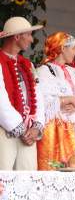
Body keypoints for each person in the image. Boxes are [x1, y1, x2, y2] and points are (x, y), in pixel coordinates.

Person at [36, 32, 75, 170]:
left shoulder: (73, 72)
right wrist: (68, 99)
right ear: (62, 48)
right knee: (56, 168)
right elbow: (42, 101)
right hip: (55, 130)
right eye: (73, 48)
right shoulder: (43, 71)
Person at [0, 16, 45, 170]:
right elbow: (1, 100)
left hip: (28, 133)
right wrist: (19, 128)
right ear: (17, 36)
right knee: (3, 179)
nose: (31, 40)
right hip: (4, 131)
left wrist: (36, 127)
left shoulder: (28, 64)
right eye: (28, 35)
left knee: (28, 180)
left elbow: (38, 97)